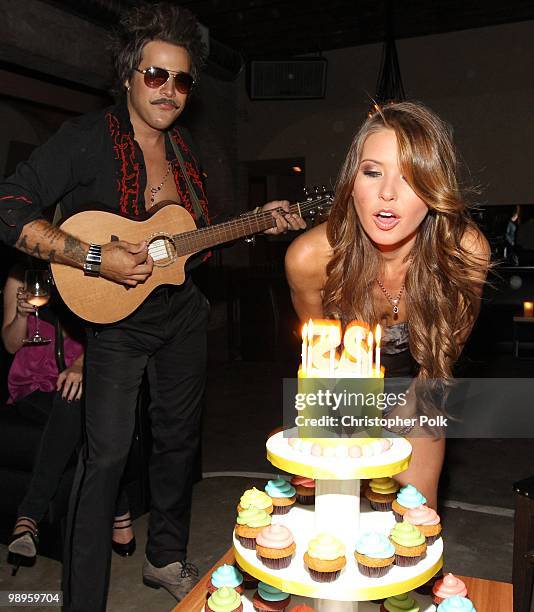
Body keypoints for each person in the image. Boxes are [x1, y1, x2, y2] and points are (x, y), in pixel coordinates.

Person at [0, 3, 304, 610]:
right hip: (115, 326)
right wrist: (91, 258)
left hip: (181, 315)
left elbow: (188, 241)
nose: (170, 90)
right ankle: (82, 597)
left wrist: (254, 225)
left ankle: (165, 559)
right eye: (156, 75)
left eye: (183, 79)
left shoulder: (188, 154)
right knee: (105, 457)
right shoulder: (87, 140)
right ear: (128, 76)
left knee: (177, 443)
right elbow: (10, 206)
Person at [286, 101, 490, 510]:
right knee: (331, 518)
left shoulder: (465, 253)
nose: (387, 193)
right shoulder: (309, 259)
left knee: (417, 516)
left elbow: (441, 358)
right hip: (343, 388)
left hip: (422, 380)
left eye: (412, 178)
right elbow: (322, 363)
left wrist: (401, 423)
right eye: (373, 171)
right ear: (352, 180)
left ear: (435, 191)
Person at [2, 262, 135, 574]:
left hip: (77, 378)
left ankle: (27, 517)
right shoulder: (17, 277)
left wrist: (81, 365)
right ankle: (120, 508)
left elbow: (112, 330)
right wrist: (21, 315)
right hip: (33, 383)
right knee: (78, 411)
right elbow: (10, 345)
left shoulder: (86, 268)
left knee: (72, 400)